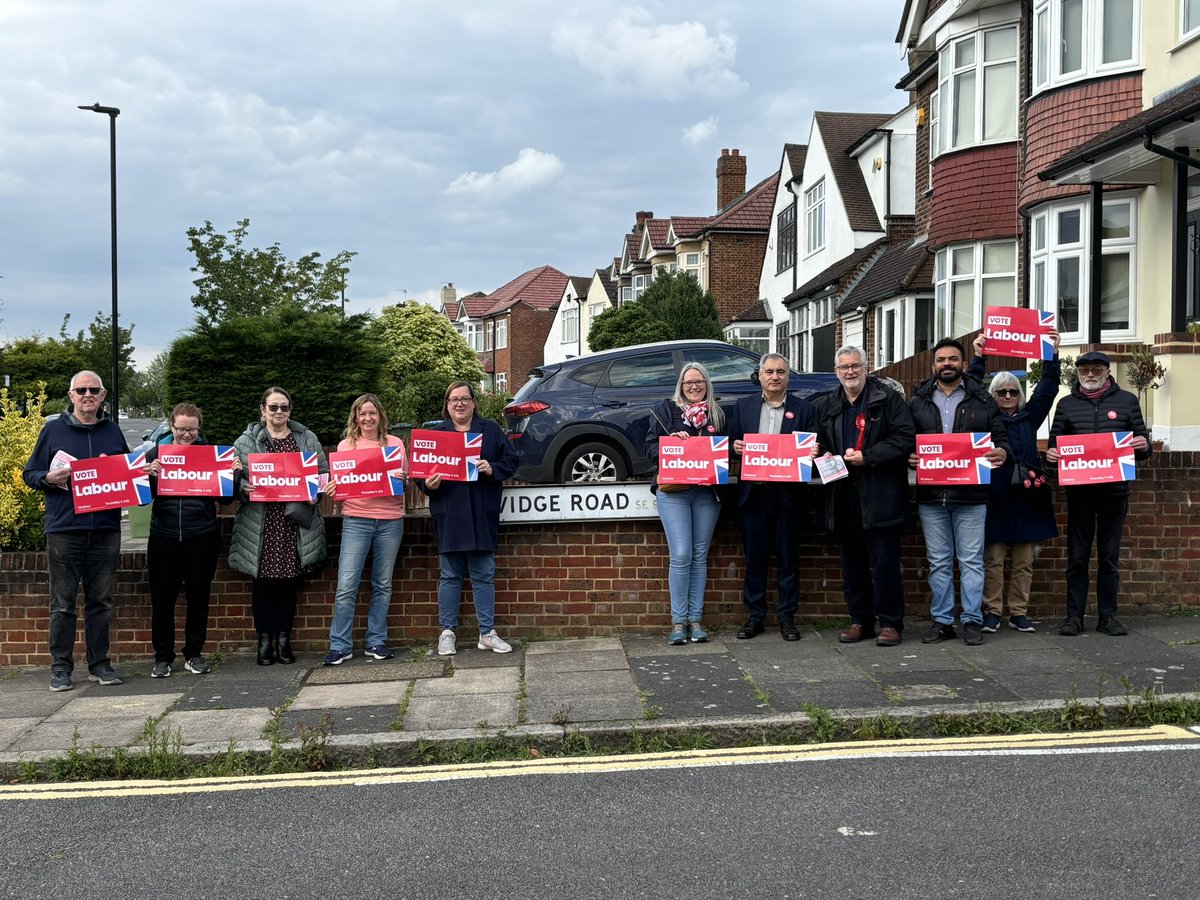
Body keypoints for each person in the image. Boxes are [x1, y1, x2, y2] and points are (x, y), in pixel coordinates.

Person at [22, 371, 129, 692]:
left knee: (101, 601)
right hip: (65, 529)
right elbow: (31, 473)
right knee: (63, 603)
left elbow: (128, 472)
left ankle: (99, 663)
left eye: (93, 390)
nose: (87, 395)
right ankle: (61, 667)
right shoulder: (53, 430)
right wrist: (48, 479)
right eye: (81, 390)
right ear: (71, 396)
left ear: (103, 395)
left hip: (106, 529)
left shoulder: (113, 431)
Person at [909, 338, 1010, 646]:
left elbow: (1002, 438)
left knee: (971, 561)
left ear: (964, 365)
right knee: (938, 561)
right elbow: (903, 438)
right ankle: (942, 621)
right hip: (932, 497)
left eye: (953, 359)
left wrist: (1003, 452)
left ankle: (971, 620)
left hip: (971, 496)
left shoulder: (983, 400)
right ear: (933, 366)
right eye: (941, 360)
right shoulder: (917, 401)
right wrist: (908, 455)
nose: (947, 364)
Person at [814, 346, 916, 647]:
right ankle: (860, 621)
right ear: (836, 372)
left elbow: (905, 438)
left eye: (855, 366)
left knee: (885, 564)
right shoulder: (826, 405)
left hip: (881, 493)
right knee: (853, 565)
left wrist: (868, 456)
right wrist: (818, 451)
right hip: (843, 493)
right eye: (844, 367)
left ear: (866, 367)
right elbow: (816, 441)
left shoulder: (888, 400)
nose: (850, 372)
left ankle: (891, 624)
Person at [1046, 351, 1151, 636]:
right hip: (1079, 493)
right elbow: (1055, 446)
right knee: (1077, 557)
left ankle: (1109, 618)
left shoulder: (1127, 401)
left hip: (1115, 493)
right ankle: (1073, 618)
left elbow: (1142, 446)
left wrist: (1143, 445)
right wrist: (1052, 455)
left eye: (1096, 369)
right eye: (1084, 370)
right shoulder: (1066, 405)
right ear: (1077, 374)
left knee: (1109, 557)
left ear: (1107, 372)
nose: (1090, 375)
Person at [968, 332, 1061, 633]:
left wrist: (1051, 354)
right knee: (992, 559)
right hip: (995, 493)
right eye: (1001, 392)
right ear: (992, 394)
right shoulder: (982, 417)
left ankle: (1019, 611)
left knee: (1024, 560)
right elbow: (969, 387)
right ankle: (992, 611)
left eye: (1012, 392)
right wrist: (980, 357)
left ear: (1019, 395)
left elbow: (1047, 390)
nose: (1007, 396)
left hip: (1026, 494)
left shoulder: (1029, 417)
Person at [417, 381, 519, 657]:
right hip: (449, 513)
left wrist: (492, 467)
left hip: (481, 512)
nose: (459, 404)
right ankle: (447, 633)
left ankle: (487, 633)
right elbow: (420, 475)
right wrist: (429, 484)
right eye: (453, 400)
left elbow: (511, 461)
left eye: (464, 398)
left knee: (483, 575)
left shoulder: (491, 431)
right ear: (447, 405)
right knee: (450, 575)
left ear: (474, 402)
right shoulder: (436, 434)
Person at [229, 387, 328, 665]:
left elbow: (322, 474)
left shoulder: (306, 438)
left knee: (287, 583)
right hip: (260, 522)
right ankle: (264, 643)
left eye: (284, 407)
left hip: (293, 524)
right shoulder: (246, 441)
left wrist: (316, 492)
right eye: (273, 408)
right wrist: (241, 487)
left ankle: (284, 641)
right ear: (263, 410)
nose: (279, 413)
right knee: (261, 584)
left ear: (290, 410)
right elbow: (231, 479)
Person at [144, 402, 241, 677]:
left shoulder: (213, 456)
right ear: (171, 426)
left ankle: (194, 654)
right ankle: (162, 658)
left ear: (200, 428)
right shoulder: (156, 454)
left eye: (193, 430)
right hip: (164, 536)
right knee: (163, 600)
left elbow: (225, 499)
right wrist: (148, 475)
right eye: (182, 429)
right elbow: (141, 497)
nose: (187, 435)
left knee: (199, 598)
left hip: (202, 536)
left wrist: (234, 474)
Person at [728, 353, 815, 641]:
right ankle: (755, 617)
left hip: (788, 496)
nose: (775, 376)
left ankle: (787, 619)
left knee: (789, 560)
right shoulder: (744, 407)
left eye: (780, 371)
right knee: (754, 560)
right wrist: (736, 447)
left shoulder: (804, 409)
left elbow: (815, 446)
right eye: (769, 371)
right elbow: (728, 445)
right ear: (760, 376)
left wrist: (814, 451)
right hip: (753, 495)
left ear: (788, 376)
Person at [321, 394, 408, 666]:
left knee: (382, 584)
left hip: (390, 519)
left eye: (372, 413)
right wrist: (333, 489)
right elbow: (341, 485)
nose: (368, 418)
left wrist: (403, 479)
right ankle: (340, 645)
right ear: (355, 418)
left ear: (380, 416)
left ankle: (376, 641)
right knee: (347, 585)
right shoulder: (345, 446)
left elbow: (403, 484)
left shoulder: (395, 444)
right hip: (356, 519)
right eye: (362, 414)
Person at [645, 363, 725, 646]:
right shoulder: (667, 412)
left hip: (706, 494)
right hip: (674, 491)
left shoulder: (717, 413)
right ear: (680, 384)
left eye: (699, 382)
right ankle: (678, 622)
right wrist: (672, 442)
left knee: (700, 556)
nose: (694, 386)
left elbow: (728, 449)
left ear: (707, 384)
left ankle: (695, 619)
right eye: (688, 382)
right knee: (681, 555)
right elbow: (650, 447)